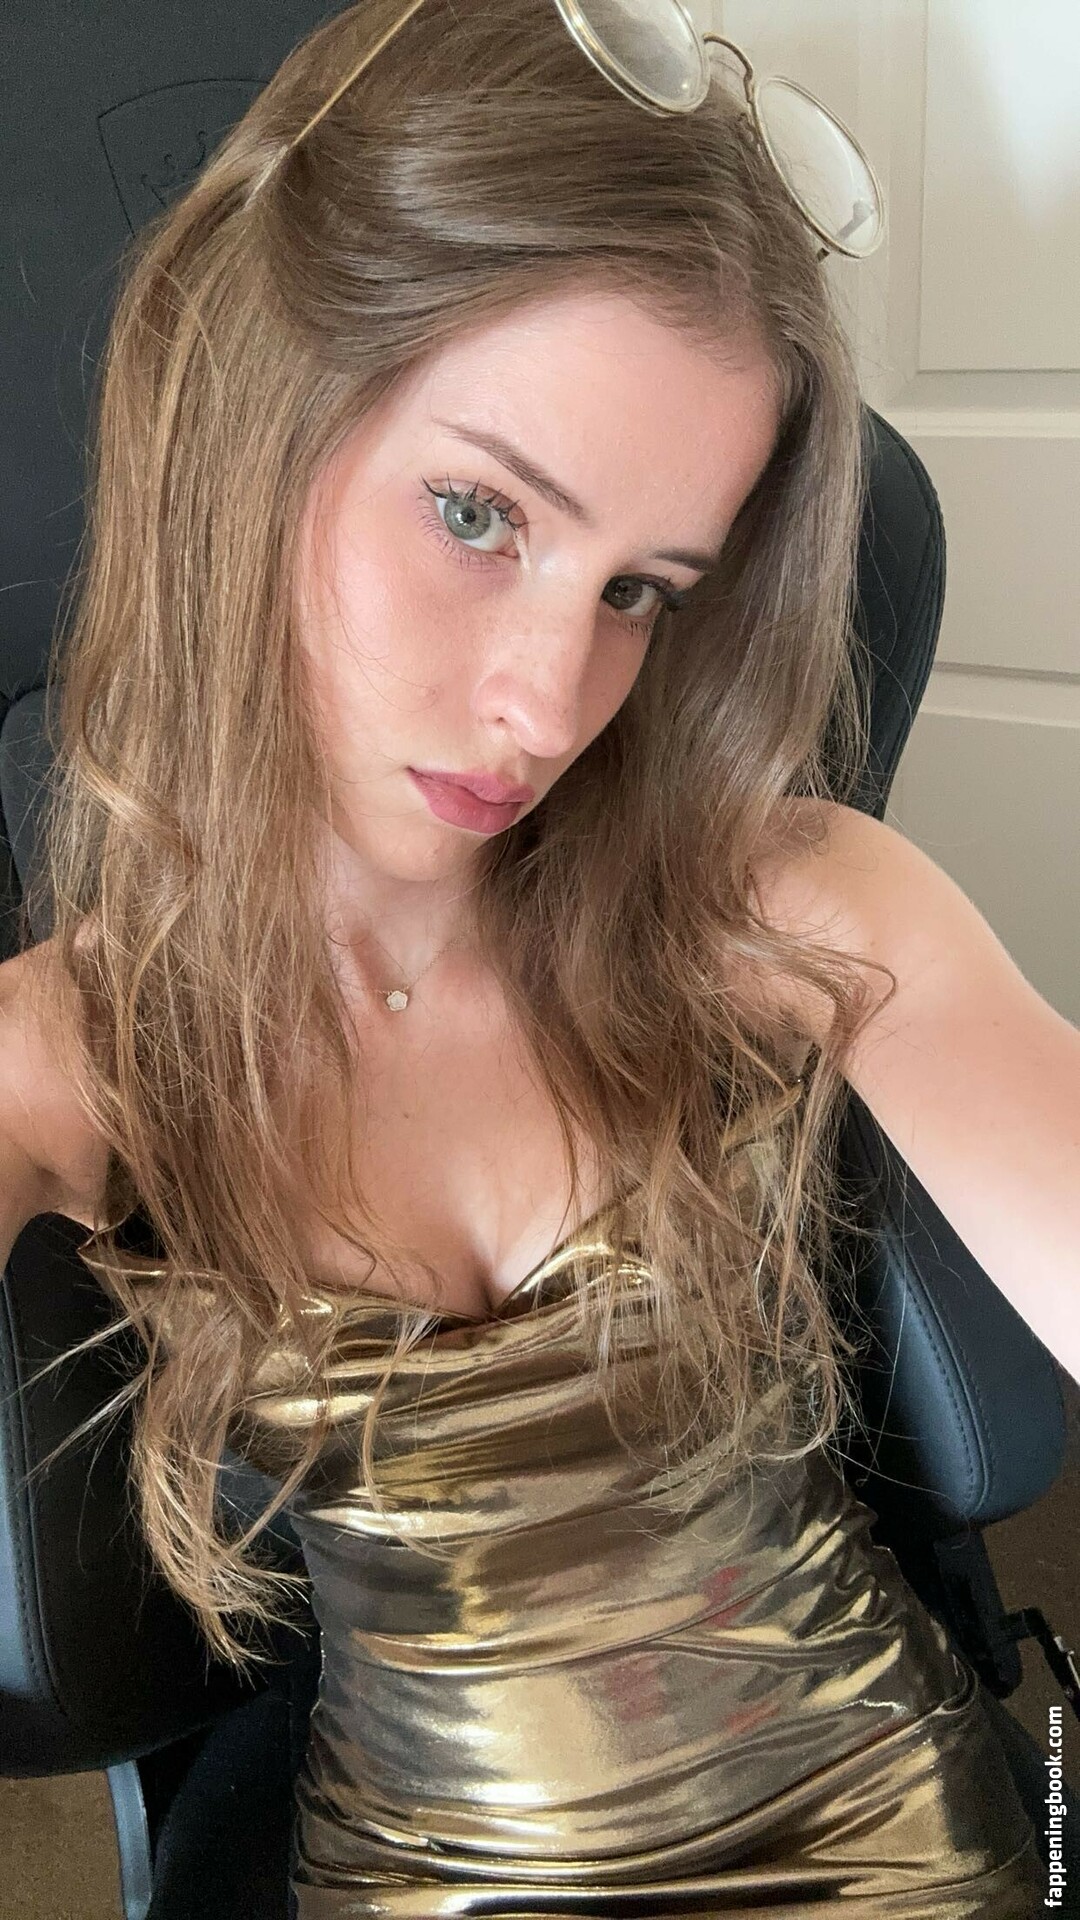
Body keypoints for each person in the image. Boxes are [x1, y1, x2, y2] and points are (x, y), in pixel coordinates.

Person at [4, 0, 1074, 1912]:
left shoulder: (794, 905)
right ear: (251, 421)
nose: (549, 703)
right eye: (479, 514)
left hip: (898, 1852)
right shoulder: (77, 1052)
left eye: (641, 590)